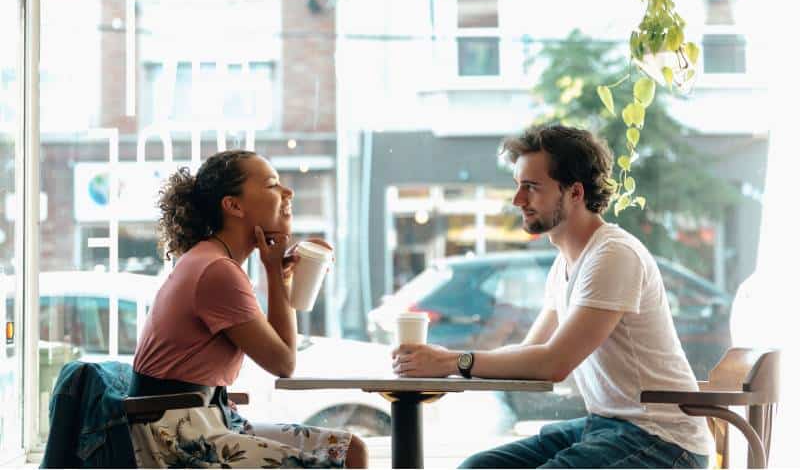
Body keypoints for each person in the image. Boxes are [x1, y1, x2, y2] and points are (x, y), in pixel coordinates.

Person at [391, 125, 712, 468]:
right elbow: (533, 355)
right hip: (606, 427)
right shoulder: (566, 264)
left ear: (574, 192)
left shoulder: (614, 256)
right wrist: (444, 365)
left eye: (531, 187)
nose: (518, 200)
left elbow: (554, 363)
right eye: (518, 186)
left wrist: (451, 362)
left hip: (663, 441)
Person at [129, 150, 368, 468]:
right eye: (272, 185)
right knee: (333, 461)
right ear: (233, 205)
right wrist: (274, 273)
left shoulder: (212, 260)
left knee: (349, 450)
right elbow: (284, 362)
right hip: (176, 437)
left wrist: (278, 273)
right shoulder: (217, 271)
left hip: (204, 418)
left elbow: (282, 357)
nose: (288, 193)